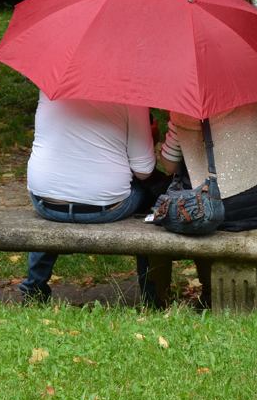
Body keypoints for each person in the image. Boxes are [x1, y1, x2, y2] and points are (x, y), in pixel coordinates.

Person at [19, 91, 164, 302]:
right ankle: (152, 296)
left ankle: (33, 289)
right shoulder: (132, 93)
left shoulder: (51, 87)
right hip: (106, 208)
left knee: (59, 189)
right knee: (150, 195)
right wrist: (151, 139)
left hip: (46, 203)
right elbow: (143, 170)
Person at [157, 102, 257, 305]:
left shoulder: (183, 109)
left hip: (218, 210)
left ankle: (209, 293)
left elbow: (169, 166)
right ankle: (220, 295)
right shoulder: (247, 98)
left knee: (193, 209)